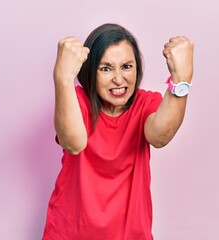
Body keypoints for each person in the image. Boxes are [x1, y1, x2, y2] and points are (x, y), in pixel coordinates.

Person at [42, 23, 194, 240]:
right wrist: (62, 78)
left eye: (126, 66)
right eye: (106, 68)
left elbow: (160, 136)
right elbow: (73, 143)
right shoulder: (78, 101)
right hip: (69, 233)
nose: (118, 79)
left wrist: (182, 79)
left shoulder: (146, 103)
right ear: (90, 71)